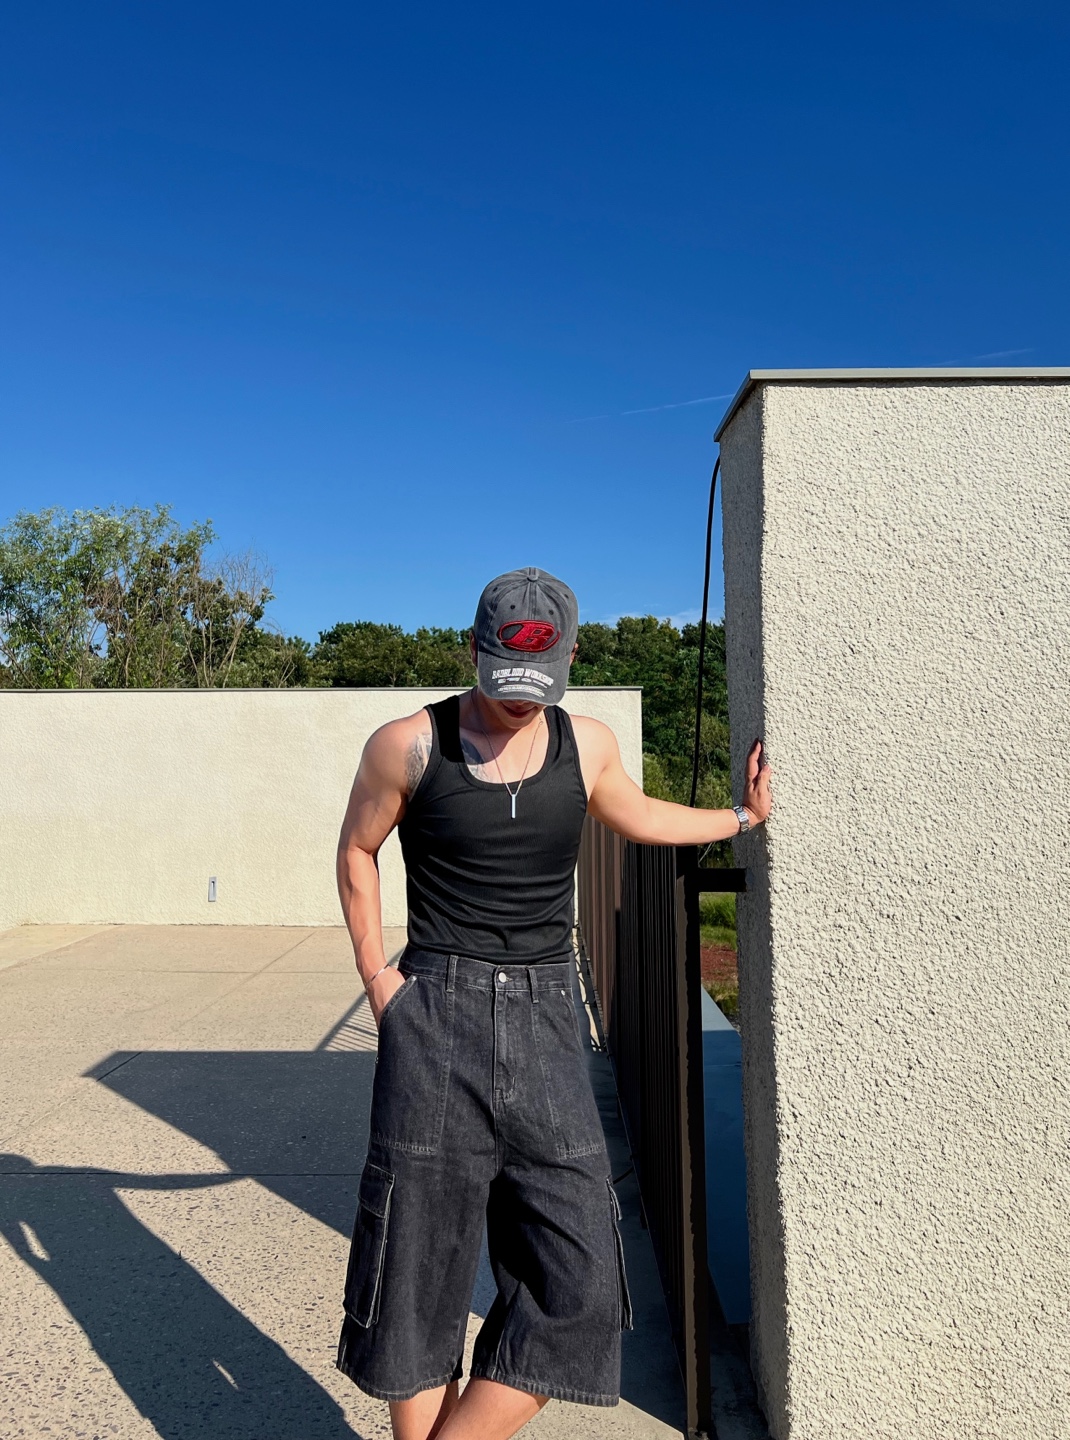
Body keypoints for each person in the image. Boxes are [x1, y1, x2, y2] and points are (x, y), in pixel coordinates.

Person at [334, 567, 773, 1440]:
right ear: (472, 649)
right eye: (504, 678)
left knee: (580, 1282)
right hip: (437, 1009)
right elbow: (356, 850)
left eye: (537, 683)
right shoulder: (408, 744)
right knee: (416, 1271)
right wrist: (380, 981)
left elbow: (640, 816)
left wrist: (741, 818)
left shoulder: (588, 745)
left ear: (569, 661)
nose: (518, 701)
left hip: (544, 1013)